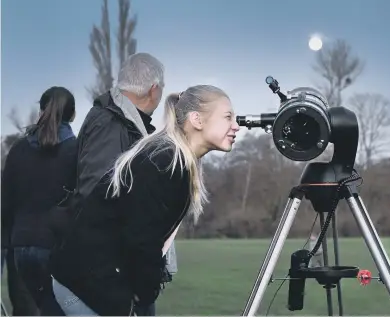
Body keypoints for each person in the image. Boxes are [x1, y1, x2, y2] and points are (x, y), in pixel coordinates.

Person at [50, 85, 240, 316]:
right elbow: (141, 240)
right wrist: (144, 293)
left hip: (95, 282)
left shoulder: (172, 158)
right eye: (228, 117)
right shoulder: (165, 162)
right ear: (197, 120)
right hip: (83, 286)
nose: (236, 126)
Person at [52, 53, 167, 315]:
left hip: (116, 266)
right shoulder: (112, 124)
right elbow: (97, 196)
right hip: (108, 271)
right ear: (154, 89)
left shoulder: (118, 121)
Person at [1, 86, 78, 313]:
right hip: (55, 247)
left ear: (41, 110)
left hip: (20, 246)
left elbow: (5, 204)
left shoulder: (18, 149)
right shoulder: (75, 150)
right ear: (72, 115)